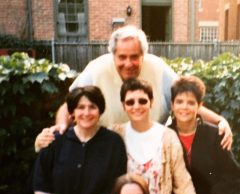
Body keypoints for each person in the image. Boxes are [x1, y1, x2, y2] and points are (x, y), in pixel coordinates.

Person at [34, 25, 232, 152]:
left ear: (143, 55)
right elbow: (68, 106)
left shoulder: (159, 69)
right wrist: (60, 126)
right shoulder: (96, 69)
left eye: (134, 57)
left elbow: (186, 102)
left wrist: (220, 120)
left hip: (150, 149)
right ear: (113, 55)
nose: (128, 63)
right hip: (104, 149)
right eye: (122, 57)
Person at [33, 86, 127, 194]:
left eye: (92, 107)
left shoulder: (113, 143)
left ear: (100, 111)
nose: (86, 113)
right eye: (80, 107)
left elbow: (110, 191)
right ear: (72, 113)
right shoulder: (55, 140)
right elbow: (40, 185)